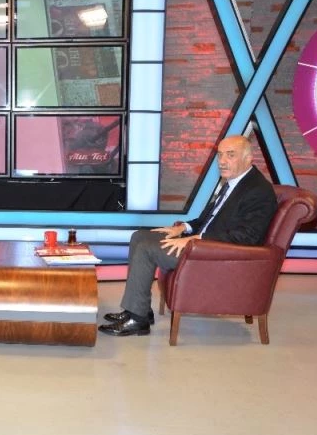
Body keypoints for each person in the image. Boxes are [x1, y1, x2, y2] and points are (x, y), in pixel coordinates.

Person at [99, 135, 278, 336]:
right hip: (204, 245)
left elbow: (247, 237)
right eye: (220, 155)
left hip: (215, 255)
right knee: (140, 237)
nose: (222, 161)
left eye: (230, 155)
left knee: (147, 249)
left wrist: (195, 240)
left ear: (248, 158)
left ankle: (137, 320)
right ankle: (140, 308)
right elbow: (207, 220)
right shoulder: (235, 182)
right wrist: (183, 228)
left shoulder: (258, 191)